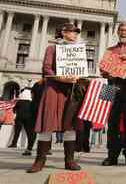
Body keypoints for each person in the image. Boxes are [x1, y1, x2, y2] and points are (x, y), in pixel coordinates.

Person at [27, 23, 82, 173]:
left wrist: (79, 77)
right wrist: (63, 78)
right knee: (47, 124)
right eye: (72, 32)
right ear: (64, 32)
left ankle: (69, 160)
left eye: (76, 33)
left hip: (71, 90)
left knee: (70, 126)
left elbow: (81, 71)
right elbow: (46, 69)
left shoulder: (78, 51)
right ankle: (40, 160)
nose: (75, 35)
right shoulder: (52, 48)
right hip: (54, 89)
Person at [101, 22, 126, 166]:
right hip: (111, 88)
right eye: (121, 30)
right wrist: (105, 73)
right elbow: (104, 73)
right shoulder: (109, 50)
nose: (123, 32)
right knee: (111, 123)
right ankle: (112, 156)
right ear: (117, 32)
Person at [8, 88, 36, 153]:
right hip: (28, 119)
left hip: (19, 118)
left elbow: (14, 110)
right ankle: (29, 145)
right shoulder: (31, 102)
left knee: (17, 132)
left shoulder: (19, 102)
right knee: (29, 133)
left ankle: (14, 143)